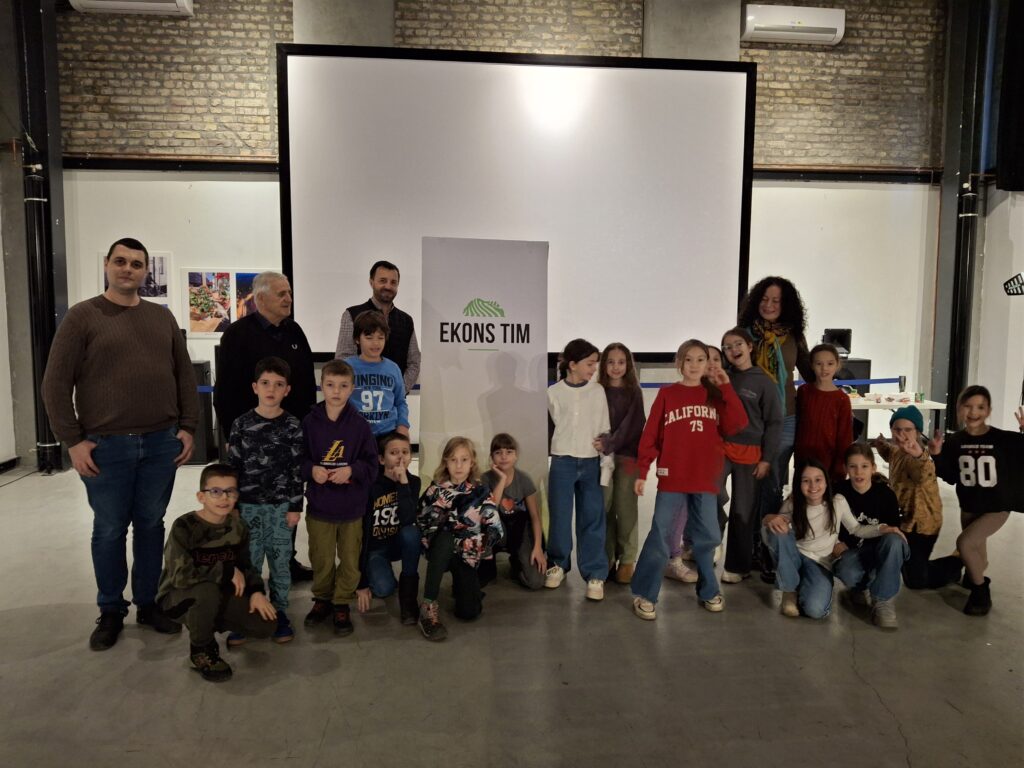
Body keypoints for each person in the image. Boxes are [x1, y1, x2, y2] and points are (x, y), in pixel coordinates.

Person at [42, 236, 198, 651]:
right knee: (110, 529)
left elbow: (184, 375)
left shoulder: (161, 318)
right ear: (107, 265)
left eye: (136, 263)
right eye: (120, 261)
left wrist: (188, 427)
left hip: (160, 442)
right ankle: (111, 609)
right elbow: (55, 384)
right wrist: (72, 440)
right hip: (105, 447)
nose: (128, 269)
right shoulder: (82, 317)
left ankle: (148, 603)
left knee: (150, 525)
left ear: (145, 271)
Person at [630, 339, 748, 620]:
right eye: (688, 359)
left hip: (705, 480)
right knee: (660, 535)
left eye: (701, 359)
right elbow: (650, 435)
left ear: (708, 364)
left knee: (708, 538)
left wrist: (726, 387)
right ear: (679, 363)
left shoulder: (716, 395)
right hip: (673, 478)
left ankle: (708, 590)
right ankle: (646, 593)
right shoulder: (667, 394)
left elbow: (738, 424)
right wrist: (642, 471)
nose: (694, 365)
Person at [214, 270, 317, 582]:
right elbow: (225, 390)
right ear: (260, 299)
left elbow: (306, 384)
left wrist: (308, 428)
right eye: (281, 294)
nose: (289, 299)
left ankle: (286, 561)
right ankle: (249, 567)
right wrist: (230, 435)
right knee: (250, 503)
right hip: (250, 440)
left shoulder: (294, 332)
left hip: (289, 437)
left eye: (289, 292)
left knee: (287, 496)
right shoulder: (237, 335)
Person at [156, 463, 277, 682]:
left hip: (216, 593)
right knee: (206, 592)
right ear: (201, 496)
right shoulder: (184, 526)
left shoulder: (238, 527)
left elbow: (246, 566)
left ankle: (206, 621)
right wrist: (226, 572)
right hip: (177, 598)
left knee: (264, 623)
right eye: (215, 492)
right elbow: (181, 576)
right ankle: (201, 650)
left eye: (230, 491)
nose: (224, 498)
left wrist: (257, 592)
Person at [762, 460, 906, 620]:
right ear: (799, 484)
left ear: (826, 482)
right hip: (794, 555)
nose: (813, 486)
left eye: (818, 479)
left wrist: (882, 528)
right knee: (776, 531)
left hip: (819, 562)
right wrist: (769, 518)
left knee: (815, 610)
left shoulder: (837, 502)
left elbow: (856, 529)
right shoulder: (793, 503)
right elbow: (776, 526)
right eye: (806, 480)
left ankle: (803, 583)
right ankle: (789, 590)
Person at [225, 356, 304, 645]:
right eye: (266, 383)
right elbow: (232, 468)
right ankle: (247, 612)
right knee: (250, 563)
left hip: (281, 509)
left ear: (287, 390)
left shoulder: (293, 425)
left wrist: (295, 506)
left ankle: (279, 612)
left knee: (281, 564)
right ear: (255, 387)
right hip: (248, 508)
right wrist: (232, 507)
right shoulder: (241, 424)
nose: (272, 389)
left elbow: (297, 471)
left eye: (279, 384)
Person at [301, 359, 379, 636]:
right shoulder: (309, 423)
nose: (336, 391)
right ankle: (322, 598)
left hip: (351, 508)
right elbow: (298, 460)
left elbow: (372, 465)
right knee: (321, 558)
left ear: (352, 388)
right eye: (330, 385)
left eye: (343, 386)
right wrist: (312, 470)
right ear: (321, 386)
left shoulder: (360, 426)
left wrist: (351, 470)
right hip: (320, 506)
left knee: (349, 558)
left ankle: (341, 601)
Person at [930, 386, 1024, 616]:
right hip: (969, 505)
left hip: (996, 507)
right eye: (968, 406)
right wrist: (937, 455)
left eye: (980, 407)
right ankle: (974, 577)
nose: (974, 412)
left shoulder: (1002, 439)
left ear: (989, 410)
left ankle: (981, 592)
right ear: (960, 409)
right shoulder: (955, 441)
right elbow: (950, 476)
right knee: (978, 556)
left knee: (964, 544)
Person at [738, 277, 814, 540]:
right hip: (750, 419)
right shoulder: (743, 334)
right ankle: (747, 543)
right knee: (749, 483)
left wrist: (833, 371)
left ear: (786, 305)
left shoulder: (794, 336)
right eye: (764, 299)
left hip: (785, 418)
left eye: (776, 301)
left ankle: (768, 543)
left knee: (773, 483)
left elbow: (810, 372)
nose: (769, 305)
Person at [417, 437, 505, 641]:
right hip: (441, 551)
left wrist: (471, 544)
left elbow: (495, 530)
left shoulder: (481, 492)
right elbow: (422, 522)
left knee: (469, 612)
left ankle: (463, 587)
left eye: (464, 459)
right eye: (453, 459)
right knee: (445, 538)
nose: (458, 465)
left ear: (472, 462)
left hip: (467, 554)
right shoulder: (435, 490)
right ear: (445, 462)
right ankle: (428, 605)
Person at [545, 338, 610, 601]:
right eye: (589, 364)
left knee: (592, 517)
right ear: (572, 364)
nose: (594, 369)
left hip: (591, 461)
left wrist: (605, 460)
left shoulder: (598, 391)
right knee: (560, 516)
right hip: (562, 461)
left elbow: (604, 427)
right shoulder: (553, 392)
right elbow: (554, 424)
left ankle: (595, 573)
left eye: (595, 364)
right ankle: (558, 564)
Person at [717, 327, 783, 583]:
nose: (733, 350)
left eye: (738, 344)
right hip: (722, 448)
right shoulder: (722, 377)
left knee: (743, 512)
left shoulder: (764, 382)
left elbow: (774, 423)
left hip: (752, 454)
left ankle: (738, 566)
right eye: (727, 347)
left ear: (750, 347)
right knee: (708, 494)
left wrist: (766, 459)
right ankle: (713, 537)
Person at [871, 406, 958, 590]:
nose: (901, 434)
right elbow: (890, 454)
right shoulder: (897, 451)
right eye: (897, 429)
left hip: (923, 525)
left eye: (908, 430)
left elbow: (923, 473)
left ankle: (956, 562)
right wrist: (881, 445)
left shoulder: (919, 458)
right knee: (909, 569)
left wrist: (919, 455)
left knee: (916, 580)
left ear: (917, 432)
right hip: (905, 521)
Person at [832, 444, 910, 629]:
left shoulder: (886, 494)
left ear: (873, 468)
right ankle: (860, 587)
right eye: (853, 466)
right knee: (847, 570)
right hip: (852, 553)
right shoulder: (838, 492)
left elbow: (893, 532)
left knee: (894, 541)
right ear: (845, 468)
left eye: (864, 466)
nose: (859, 472)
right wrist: (835, 543)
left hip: (880, 552)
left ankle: (883, 600)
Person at [355, 431, 423, 625]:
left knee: (412, 533)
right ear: (381, 459)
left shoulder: (413, 482)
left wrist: (403, 483)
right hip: (376, 547)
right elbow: (361, 534)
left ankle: (408, 599)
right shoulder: (370, 485)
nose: (401, 457)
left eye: (405, 452)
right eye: (394, 453)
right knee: (384, 589)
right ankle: (379, 571)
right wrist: (361, 582)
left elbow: (408, 518)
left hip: (399, 542)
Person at [596, 343, 646, 585]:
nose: (616, 367)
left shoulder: (634, 392)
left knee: (625, 509)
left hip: (627, 457)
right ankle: (607, 557)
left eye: (621, 362)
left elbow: (633, 425)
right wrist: (602, 446)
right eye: (611, 362)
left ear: (628, 365)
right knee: (604, 507)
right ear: (604, 365)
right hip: (601, 459)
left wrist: (611, 443)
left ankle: (627, 559)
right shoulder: (597, 391)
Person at [335, 260, 421, 393]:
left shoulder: (406, 320)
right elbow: (343, 360)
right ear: (371, 282)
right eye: (382, 281)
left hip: (394, 401)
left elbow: (414, 363)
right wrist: (359, 392)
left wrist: (398, 392)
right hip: (359, 399)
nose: (388, 286)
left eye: (393, 282)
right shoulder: (352, 314)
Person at [479, 433, 546, 590]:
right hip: (497, 530)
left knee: (535, 582)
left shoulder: (524, 480)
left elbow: (535, 516)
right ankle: (488, 564)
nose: (504, 457)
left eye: (509, 452)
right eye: (498, 452)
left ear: (516, 456)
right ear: (492, 457)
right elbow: (489, 511)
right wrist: (502, 479)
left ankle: (517, 562)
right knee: (488, 520)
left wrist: (537, 547)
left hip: (520, 529)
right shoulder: (485, 479)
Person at [344, 310, 410, 436]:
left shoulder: (393, 368)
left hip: (388, 434)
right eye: (369, 338)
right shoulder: (347, 367)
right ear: (357, 339)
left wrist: (403, 426)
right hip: (356, 434)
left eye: (380, 338)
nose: (376, 343)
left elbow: (400, 402)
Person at [794, 343, 853, 484]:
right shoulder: (803, 391)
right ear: (812, 365)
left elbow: (844, 437)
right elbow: (798, 425)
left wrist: (840, 469)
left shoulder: (842, 399)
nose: (824, 368)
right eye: (819, 364)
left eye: (830, 364)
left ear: (837, 365)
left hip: (828, 460)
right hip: (803, 458)